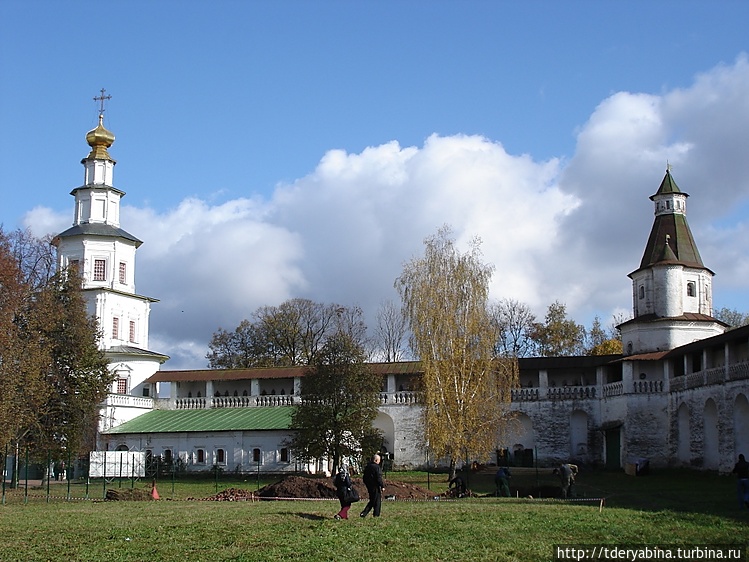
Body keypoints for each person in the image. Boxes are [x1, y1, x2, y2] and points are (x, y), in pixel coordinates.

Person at [360, 453, 385, 518]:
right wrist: (382, 486)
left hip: (369, 486)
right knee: (376, 501)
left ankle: (366, 513)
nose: (379, 462)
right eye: (379, 460)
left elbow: (364, 477)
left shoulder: (367, 467)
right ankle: (373, 514)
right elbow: (378, 477)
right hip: (375, 486)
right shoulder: (377, 467)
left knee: (373, 499)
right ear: (376, 460)